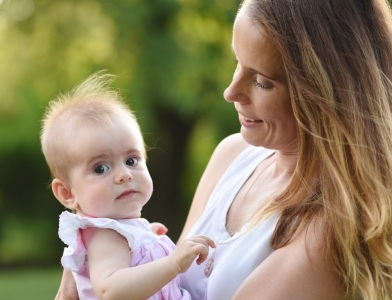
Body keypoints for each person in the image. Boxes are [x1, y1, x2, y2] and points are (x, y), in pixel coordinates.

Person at [56, 0, 392, 298]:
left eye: (261, 80)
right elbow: (174, 285)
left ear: (326, 92)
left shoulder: (331, 225)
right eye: (237, 62)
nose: (231, 92)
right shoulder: (231, 156)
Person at [41, 72, 215, 300]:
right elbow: (111, 289)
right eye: (100, 168)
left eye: (131, 160)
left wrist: (145, 242)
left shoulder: (118, 233)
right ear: (67, 193)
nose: (123, 174)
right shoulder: (105, 235)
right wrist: (173, 263)